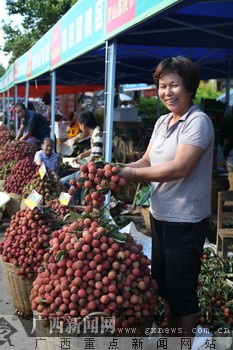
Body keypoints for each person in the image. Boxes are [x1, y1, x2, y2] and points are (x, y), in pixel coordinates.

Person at [118, 56, 214, 346]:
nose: (167, 92)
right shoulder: (162, 121)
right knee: (168, 289)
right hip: (160, 216)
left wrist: (132, 174)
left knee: (182, 293)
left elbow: (180, 167)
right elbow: (148, 159)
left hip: (185, 221)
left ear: (189, 87)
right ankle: (174, 341)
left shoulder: (198, 122)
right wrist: (115, 170)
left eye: (174, 85)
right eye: (162, 86)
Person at [59, 110, 103, 191]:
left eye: (79, 124)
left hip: (98, 171)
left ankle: (75, 201)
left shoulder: (98, 135)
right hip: (95, 169)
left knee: (63, 181)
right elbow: (95, 149)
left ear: (83, 124)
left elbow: (94, 157)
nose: (79, 126)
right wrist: (81, 155)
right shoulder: (97, 132)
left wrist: (83, 168)